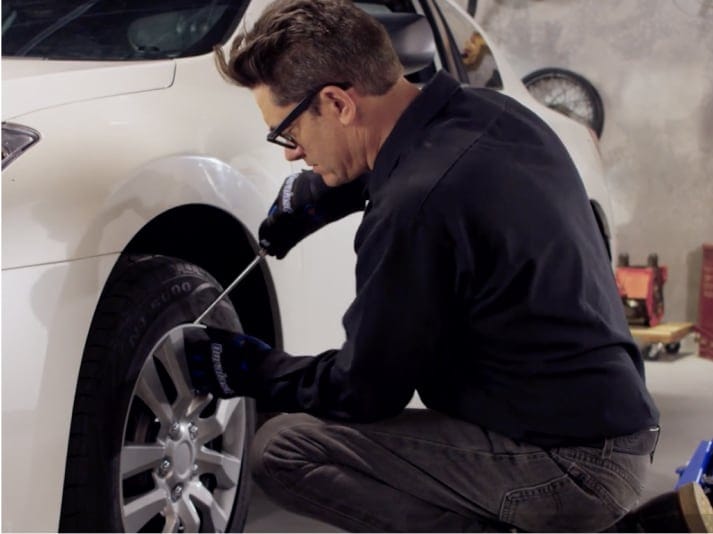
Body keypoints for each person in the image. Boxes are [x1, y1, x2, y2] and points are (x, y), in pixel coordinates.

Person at [183, 0, 712, 531]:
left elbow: (364, 391)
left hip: (567, 467)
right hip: (618, 431)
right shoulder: (496, 115)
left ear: (338, 102)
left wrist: (256, 370)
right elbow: (447, 172)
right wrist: (329, 192)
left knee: (282, 448)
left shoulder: (413, 209)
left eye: (287, 134)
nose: (291, 157)